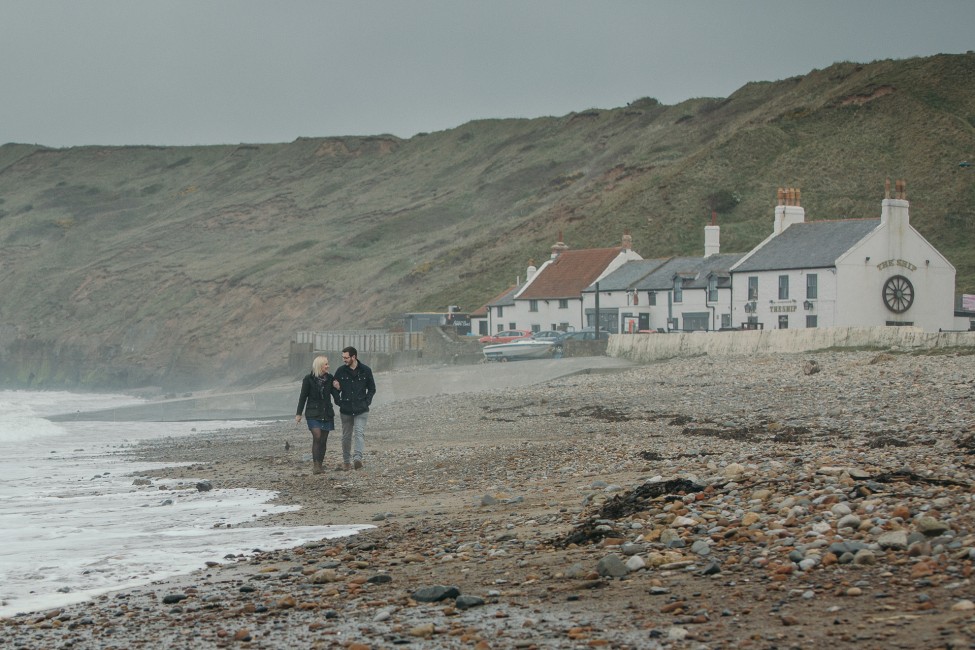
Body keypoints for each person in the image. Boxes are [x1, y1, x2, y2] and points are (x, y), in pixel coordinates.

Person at [332, 346, 376, 471]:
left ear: (354, 357)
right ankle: (346, 461)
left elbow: (372, 388)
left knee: (359, 433)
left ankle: (357, 459)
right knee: (346, 436)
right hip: (345, 409)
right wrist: (338, 401)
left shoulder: (366, 370)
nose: (344, 360)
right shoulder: (340, 371)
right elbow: (334, 388)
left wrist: (367, 401)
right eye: (343, 357)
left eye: (346, 357)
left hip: (361, 409)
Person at [295, 355, 336, 475]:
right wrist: (298, 413)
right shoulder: (308, 379)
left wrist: (339, 388)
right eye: (326, 364)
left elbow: (335, 395)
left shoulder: (330, 378)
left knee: (323, 440)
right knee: (317, 437)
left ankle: (320, 464)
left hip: (326, 412)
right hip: (313, 412)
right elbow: (303, 397)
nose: (328, 366)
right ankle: (315, 465)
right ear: (320, 366)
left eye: (328, 364)